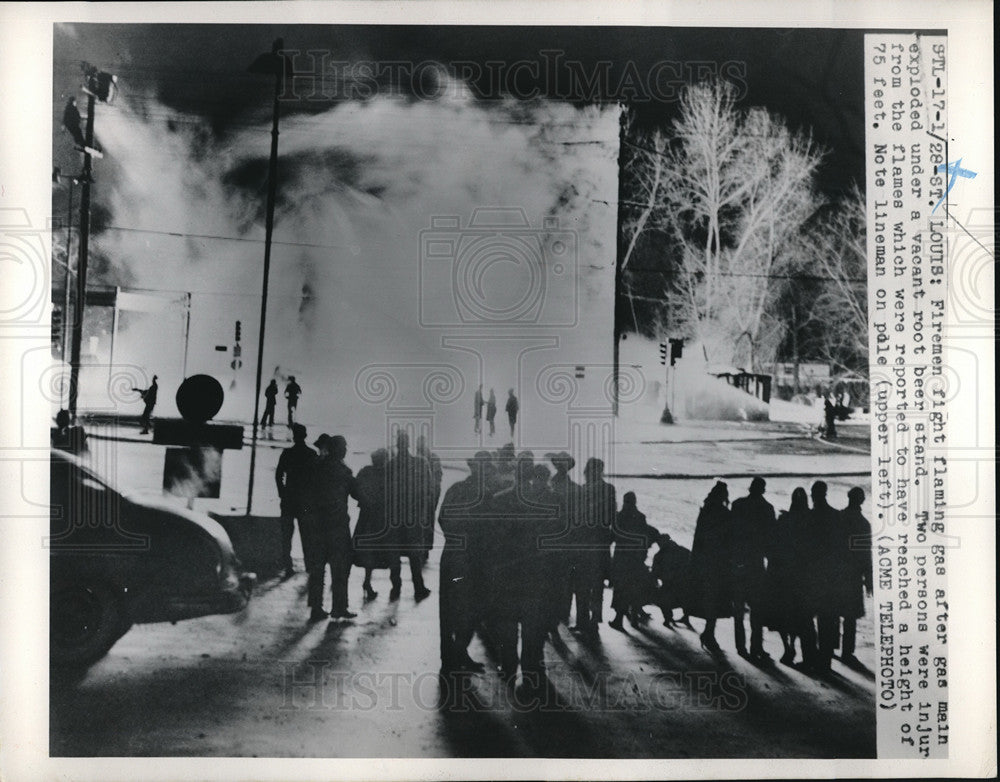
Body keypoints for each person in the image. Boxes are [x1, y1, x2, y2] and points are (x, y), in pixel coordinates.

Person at [437, 451, 492, 675]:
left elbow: (442, 517)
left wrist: (455, 536)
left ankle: (450, 657)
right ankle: (458, 653)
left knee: (449, 610)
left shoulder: (456, 489)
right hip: (473, 560)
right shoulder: (487, 495)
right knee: (473, 609)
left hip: (452, 555)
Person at [305, 434, 358, 621]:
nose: (345, 450)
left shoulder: (316, 467)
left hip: (318, 525)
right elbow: (358, 493)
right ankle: (339, 607)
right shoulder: (344, 471)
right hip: (338, 527)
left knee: (317, 568)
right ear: (338, 449)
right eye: (344, 447)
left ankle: (316, 608)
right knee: (340, 569)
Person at [729, 477, 776, 662]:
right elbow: (771, 541)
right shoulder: (767, 509)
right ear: (763, 490)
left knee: (738, 609)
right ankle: (757, 646)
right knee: (757, 609)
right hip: (756, 565)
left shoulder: (738, 505)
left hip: (738, 563)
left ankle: (741, 647)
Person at [686, 481, 733, 655]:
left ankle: (709, 633)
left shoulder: (705, 512)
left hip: (704, 562)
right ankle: (709, 632)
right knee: (717, 599)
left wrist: (694, 562)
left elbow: (697, 539)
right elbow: (730, 540)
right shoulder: (725, 514)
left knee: (707, 598)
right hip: (719, 563)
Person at [571, 457, 616, 636]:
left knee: (581, 584)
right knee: (597, 583)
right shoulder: (609, 489)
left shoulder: (583, 490)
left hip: (584, 543)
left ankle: (583, 620)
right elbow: (613, 516)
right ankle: (595, 618)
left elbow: (576, 518)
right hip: (601, 543)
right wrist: (609, 539)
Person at [801, 480, 842, 673]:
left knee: (807, 618)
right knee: (828, 620)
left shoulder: (808, 518)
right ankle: (825, 660)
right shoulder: (836, 516)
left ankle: (810, 657)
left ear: (813, 495)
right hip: (830, 576)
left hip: (810, 576)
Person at [386, 430, 432, 601]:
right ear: (409, 445)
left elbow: (386, 493)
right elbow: (428, 491)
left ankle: (395, 587)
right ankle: (418, 587)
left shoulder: (390, 465)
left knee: (395, 554)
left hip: (395, 517)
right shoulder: (421, 463)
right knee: (415, 554)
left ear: (398, 445)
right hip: (414, 516)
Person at [767, 487, 810, 666]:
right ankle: (795, 647)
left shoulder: (784, 520)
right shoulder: (809, 521)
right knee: (800, 616)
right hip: (801, 577)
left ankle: (788, 647)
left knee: (783, 615)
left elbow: (773, 549)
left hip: (783, 577)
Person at [608, 492, 660, 631]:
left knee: (620, 589)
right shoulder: (641, 517)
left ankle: (618, 620)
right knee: (634, 589)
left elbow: (612, 536)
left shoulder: (619, 517)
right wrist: (642, 557)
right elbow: (644, 538)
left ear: (625, 501)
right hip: (636, 559)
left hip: (621, 558)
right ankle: (635, 618)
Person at [275, 423, 317, 580]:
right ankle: (309, 565)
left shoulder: (287, 453)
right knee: (307, 534)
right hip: (305, 500)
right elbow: (316, 480)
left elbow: (279, 475)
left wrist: (282, 493)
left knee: (287, 534)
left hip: (289, 498)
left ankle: (288, 566)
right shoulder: (311, 454)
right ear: (305, 436)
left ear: (294, 436)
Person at [352, 448, 395, 600]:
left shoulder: (365, 472)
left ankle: (366, 581)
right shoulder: (389, 474)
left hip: (366, 516)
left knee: (365, 550)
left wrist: (365, 500)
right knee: (383, 550)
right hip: (381, 517)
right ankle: (389, 584)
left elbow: (355, 489)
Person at [838, 487, 873, 666]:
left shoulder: (838, 519)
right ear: (861, 501)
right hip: (853, 575)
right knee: (850, 617)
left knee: (833, 611)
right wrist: (869, 581)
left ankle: (829, 647)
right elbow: (865, 554)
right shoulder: (863, 524)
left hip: (835, 572)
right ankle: (847, 652)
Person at [650, 533, 694, 629]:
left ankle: (668, 618)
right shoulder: (684, 551)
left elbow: (655, 574)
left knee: (661, 598)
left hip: (669, 586)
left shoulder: (659, 556)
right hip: (686, 586)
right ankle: (686, 617)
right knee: (686, 597)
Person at [416, 435, 442, 561]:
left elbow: (437, 482)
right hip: (425, 499)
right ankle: (424, 549)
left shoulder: (431, 459)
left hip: (426, 498)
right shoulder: (430, 459)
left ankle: (424, 549)